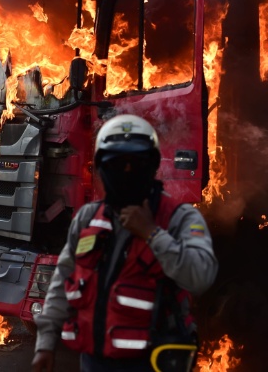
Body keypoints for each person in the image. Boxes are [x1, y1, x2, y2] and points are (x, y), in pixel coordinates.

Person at [32, 114, 218, 372]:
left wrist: (152, 233)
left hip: (152, 364)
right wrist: (45, 344)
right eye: (118, 164)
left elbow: (201, 276)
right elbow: (62, 283)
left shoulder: (180, 218)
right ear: (102, 168)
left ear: (152, 166)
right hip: (94, 362)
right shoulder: (88, 218)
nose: (127, 173)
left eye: (136, 164)